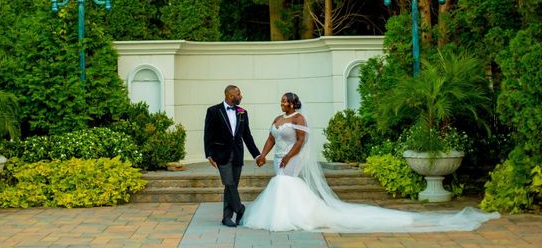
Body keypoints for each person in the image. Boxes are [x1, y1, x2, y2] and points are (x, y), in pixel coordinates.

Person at [241, 92, 500, 232]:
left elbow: (300, 142)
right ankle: (285, 214)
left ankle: (298, 216)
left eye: (285, 101)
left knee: (287, 183)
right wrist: (263, 155)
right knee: (281, 184)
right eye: (282, 102)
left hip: (293, 157)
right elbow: (271, 138)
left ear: (293, 103)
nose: (282, 104)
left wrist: (289, 156)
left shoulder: (299, 119)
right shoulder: (277, 118)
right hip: (277, 157)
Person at [204, 84, 262, 227]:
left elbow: (247, 136)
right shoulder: (213, 111)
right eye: (238, 94)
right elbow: (208, 134)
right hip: (221, 155)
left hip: (237, 155)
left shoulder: (243, 112)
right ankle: (240, 208)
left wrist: (257, 155)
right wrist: (209, 154)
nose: (241, 96)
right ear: (230, 96)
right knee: (228, 183)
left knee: (232, 186)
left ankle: (227, 217)